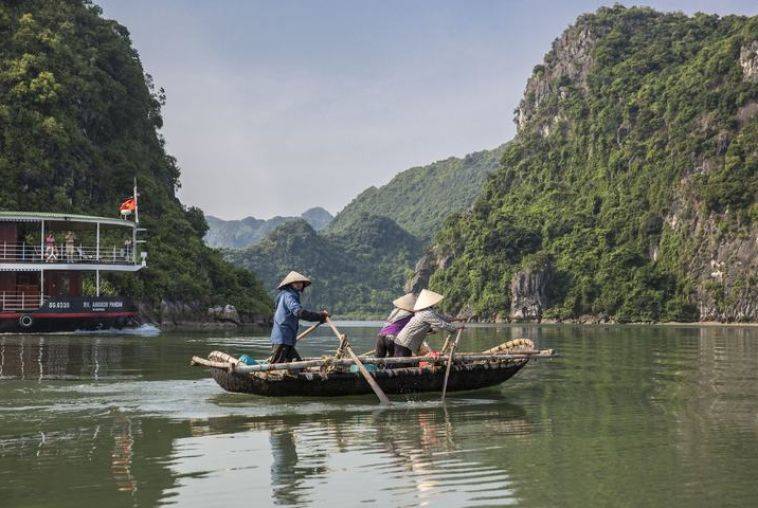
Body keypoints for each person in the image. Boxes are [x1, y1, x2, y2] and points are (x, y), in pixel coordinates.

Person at [270, 271, 329, 364]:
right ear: (290, 284)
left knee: (298, 365)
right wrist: (321, 315)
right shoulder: (289, 296)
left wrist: (320, 317)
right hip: (282, 337)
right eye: (296, 283)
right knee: (276, 367)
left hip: (286, 339)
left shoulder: (288, 295)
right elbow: (299, 313)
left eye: (300, 282)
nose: (299, 285)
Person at [393, 289, 463, 357]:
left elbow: (444, 318)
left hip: (404, 342)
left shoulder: (426, 312)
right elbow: (441, 323)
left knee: (404, 363)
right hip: (404, 342)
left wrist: (459, 319)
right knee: (401, 363)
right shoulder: (426, 313)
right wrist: (454, 328)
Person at [375, 293, 416, 358]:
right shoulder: (411, 315)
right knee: (399, 359)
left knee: (378, 360)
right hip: (392, 337)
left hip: (381, 336)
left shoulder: (394, 311)